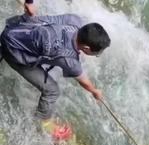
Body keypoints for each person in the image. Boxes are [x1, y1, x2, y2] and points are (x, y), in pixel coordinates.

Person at [0, 0, 110, 132]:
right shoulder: (69, 60)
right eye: (96, 53)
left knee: (53, 59)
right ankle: (44, 123)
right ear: (86, 48)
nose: (96, 54)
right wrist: (94, 91)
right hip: (12, 52)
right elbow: (83, 81)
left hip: (14, 27)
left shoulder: (74, 20)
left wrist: (29, 4)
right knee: (52, 90)